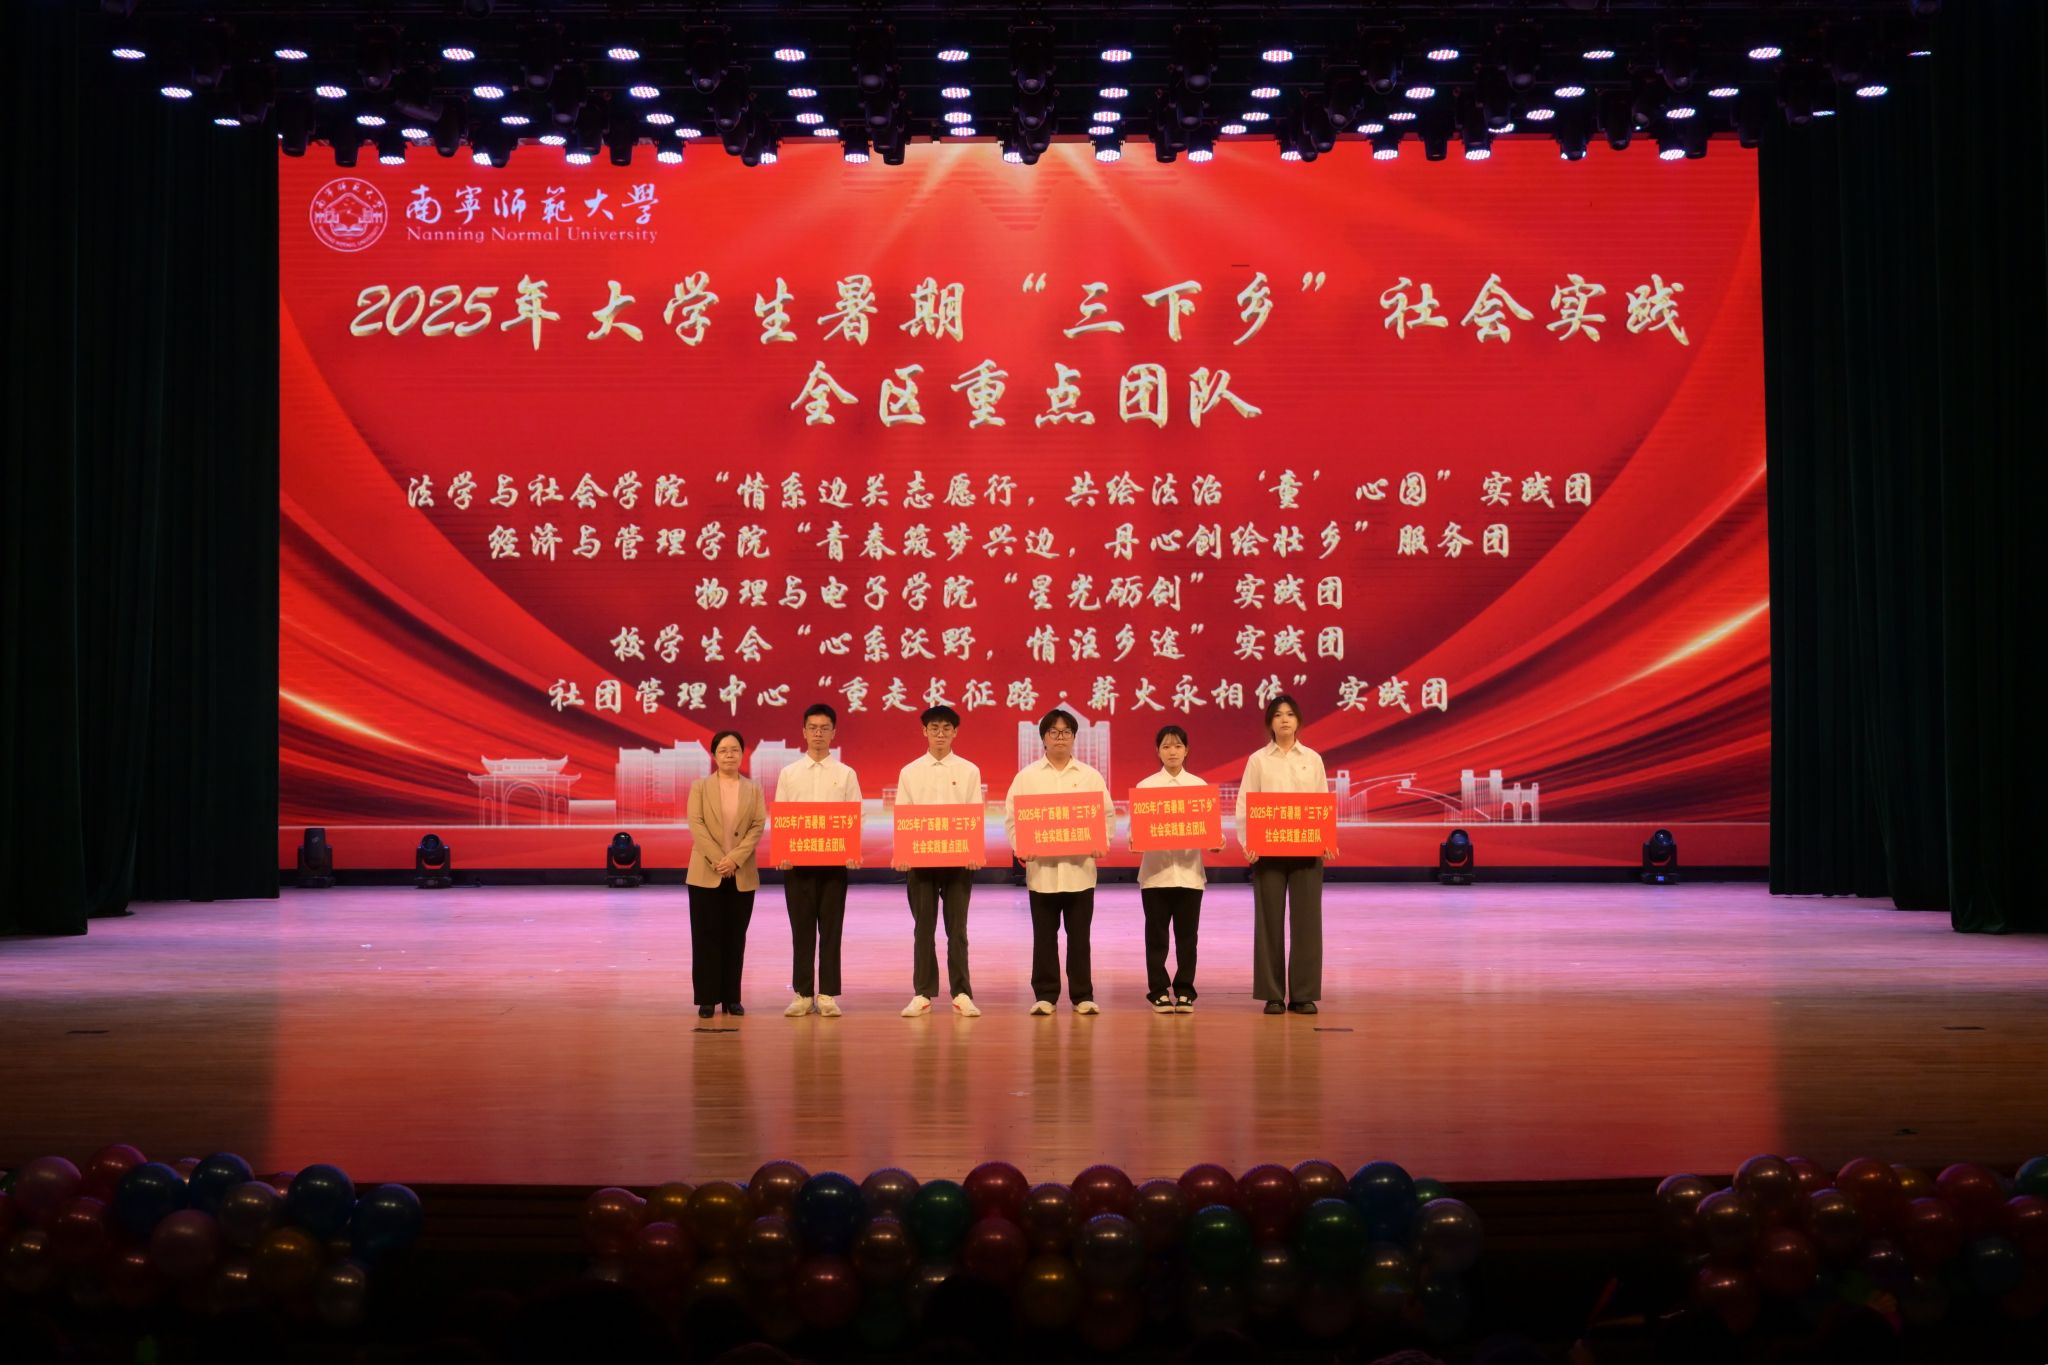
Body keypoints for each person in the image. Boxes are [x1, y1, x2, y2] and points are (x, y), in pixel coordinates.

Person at [1004, 708, 1113, 1015]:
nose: (1060, 738)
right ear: (1044, 737)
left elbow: (1106, 815)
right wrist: (1021, 847)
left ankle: (1082, 995)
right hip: (1042, 872)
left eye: (1066, 732)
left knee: (1080, 938)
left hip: (1080, 871)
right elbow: (1012, 818)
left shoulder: (1090, 776)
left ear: (1074, 737)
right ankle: (1045, 995)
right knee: (1044, 937)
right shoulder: (1027, 777)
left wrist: (1101, 843)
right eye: (1054, 732)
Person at [1234, 694, 1327, 1015]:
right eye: (1277, 715)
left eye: (1290, 714)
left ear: (1298, 720)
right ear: (1270, 723)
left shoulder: (1312, 759)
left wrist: (1325, 838)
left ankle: (1303, 994)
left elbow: (1321, 802)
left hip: (1307, 850)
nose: (1284, 719)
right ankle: (1272, 993)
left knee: (1307, 924)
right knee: (1268, 923)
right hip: (1268, 851)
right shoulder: (1258, 760)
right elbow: (1245, 803)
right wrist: (1248, 843)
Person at [893, 705, 983, 1017]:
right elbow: (904, 814)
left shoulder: (969, 770)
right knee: (923, 929)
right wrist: (902, 854)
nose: (940, 734)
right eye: (934, 728)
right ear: (925, 732)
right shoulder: (910, 771)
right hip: (921, 861)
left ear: (955, 732)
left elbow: (974, 813)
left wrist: (974, 853)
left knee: (957, 930)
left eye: (946, 728)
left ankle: (961, 993)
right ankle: (923, 993)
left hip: (958, 862)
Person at [774, 702, 861, 1018]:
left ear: (834, 732)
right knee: (802, 931)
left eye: (824, 728)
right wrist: (782, 853)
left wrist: (852, 851)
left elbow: (855, 815)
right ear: (804, 732)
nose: (818, 733)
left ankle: (827, 994)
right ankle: (802, 993)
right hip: (797, 865)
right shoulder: (789, 773)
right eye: (813, 728)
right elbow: (782, 815)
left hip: (834, 864)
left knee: (831, 930)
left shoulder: (845, 773)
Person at [1136, 723, 1218, 1013]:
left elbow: (1211, 832)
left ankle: (1185, 990)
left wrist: (1216, 840)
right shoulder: (1146, 788)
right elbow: (1136, 833)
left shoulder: (1199, 787)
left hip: (1189, 875)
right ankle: (1158, 990)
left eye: (1178, 746)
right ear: (1158, 751)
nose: (1172, 751)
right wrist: (1136, 839)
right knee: (1156, 938)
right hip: (1155, 876)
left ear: (1187, 750)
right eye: (1166, 746)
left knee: (1187, 938)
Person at [687, 730, 766, 1018]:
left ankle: (732, 997)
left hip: (741, 873)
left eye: (734, 750)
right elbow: (696, 825)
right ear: (714, 755)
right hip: (706, 872)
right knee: (705, 936)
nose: (729, 755)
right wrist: (720, 859)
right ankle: (707, 998)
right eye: (723, 750)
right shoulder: (700, 787)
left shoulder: (753, 789)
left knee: (735, 937)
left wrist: (734, 859)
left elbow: (757, 826)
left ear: (742, 754)